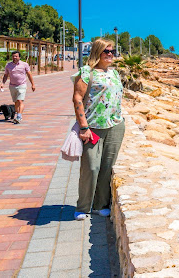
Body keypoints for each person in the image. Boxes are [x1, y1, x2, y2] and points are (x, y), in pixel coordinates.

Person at [71, 39, 124, 220]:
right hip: (93, 126)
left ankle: (100, 204)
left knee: (107, 167)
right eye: (106, 51)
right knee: (91, 167)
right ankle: (83, 206)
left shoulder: (115, 73)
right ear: (97, 52)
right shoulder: (86, 73)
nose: (110, 54)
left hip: (115, 125)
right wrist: (83, 126)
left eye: (113, 51)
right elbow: (77, 98)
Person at [0, 51, 35, 124]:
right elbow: (6, 75)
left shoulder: (24, 64)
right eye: (13, 56)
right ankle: (18, 115)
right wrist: (2, 83)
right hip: (12, 86)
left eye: (16, 56)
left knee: (20, 100)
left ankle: (19, 115)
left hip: (22, 85)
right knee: (15, 102)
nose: (14, 58)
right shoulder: (8, 65)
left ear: (19, 57)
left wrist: (33, 84)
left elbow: (29, 74)